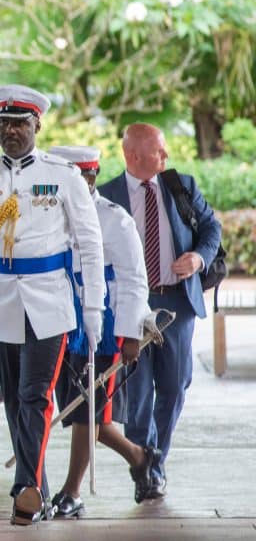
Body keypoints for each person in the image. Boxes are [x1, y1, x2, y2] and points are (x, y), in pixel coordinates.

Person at [0, 84, 105, 526]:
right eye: (4, 123)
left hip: (49, 300)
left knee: (35, 395)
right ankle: (38, 489)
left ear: (37, 125)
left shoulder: (63, 176)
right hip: (0, 300)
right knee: (14, 400)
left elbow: (90, 243)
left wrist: (94, 306)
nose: (10, 131)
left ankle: (24, 488)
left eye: (19, 124)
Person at [97, 123, 222, 501]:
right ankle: (146, 471)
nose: (166, 156)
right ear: (133, 155)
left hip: (177, 304)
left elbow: (211, 228)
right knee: (137, 393)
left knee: (174, 386)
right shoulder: (106, 196)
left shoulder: (180, 186)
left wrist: (198, 258)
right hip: (131, 307)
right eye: (158, 151)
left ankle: (155, 460)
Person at [46, 146, 161, 516]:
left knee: (86, 411)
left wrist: (130, 334)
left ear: (92, 177)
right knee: (82, 410)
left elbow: (134, 279)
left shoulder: (115, 219)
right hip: (61, 320)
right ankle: (140, 457)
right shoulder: (49, 214)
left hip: (104, 326)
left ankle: (72, 493)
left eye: (83, 177)